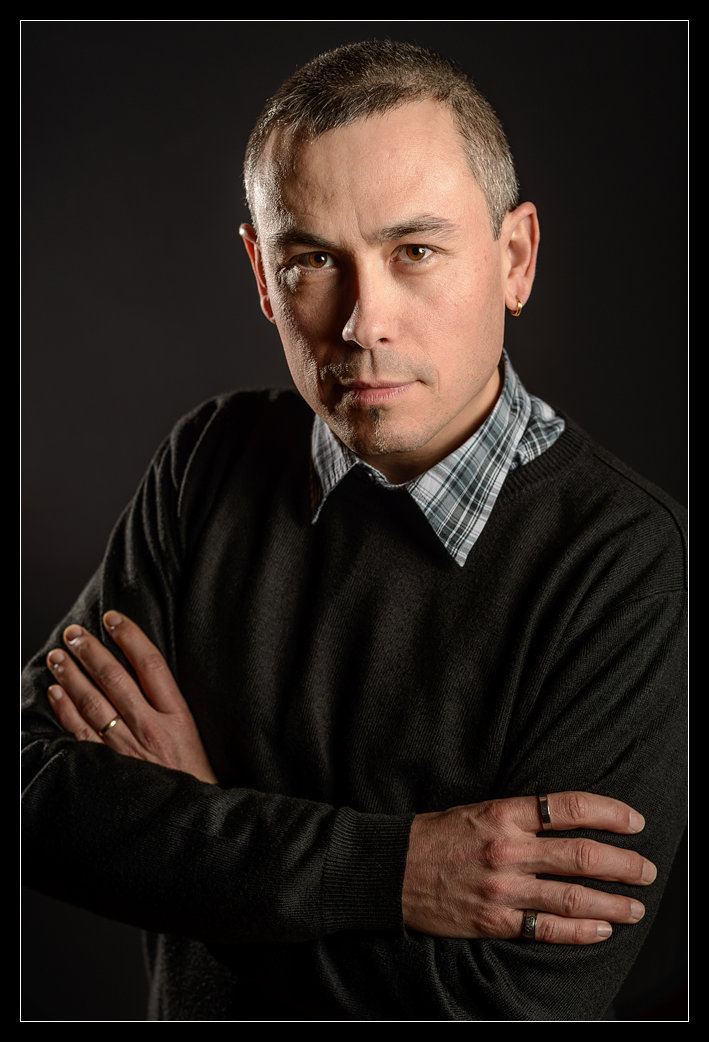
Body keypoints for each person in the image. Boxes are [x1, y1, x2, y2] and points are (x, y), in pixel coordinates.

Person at [21, 40, 686, 1021]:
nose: (363, 322)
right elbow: (35, 796)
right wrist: (395, 871)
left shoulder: (625, 567)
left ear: (514, 258)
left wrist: (197, 833)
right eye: (313, 260)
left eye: (414, 251)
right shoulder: (209, 462)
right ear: (261, 273)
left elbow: (508, 1008)